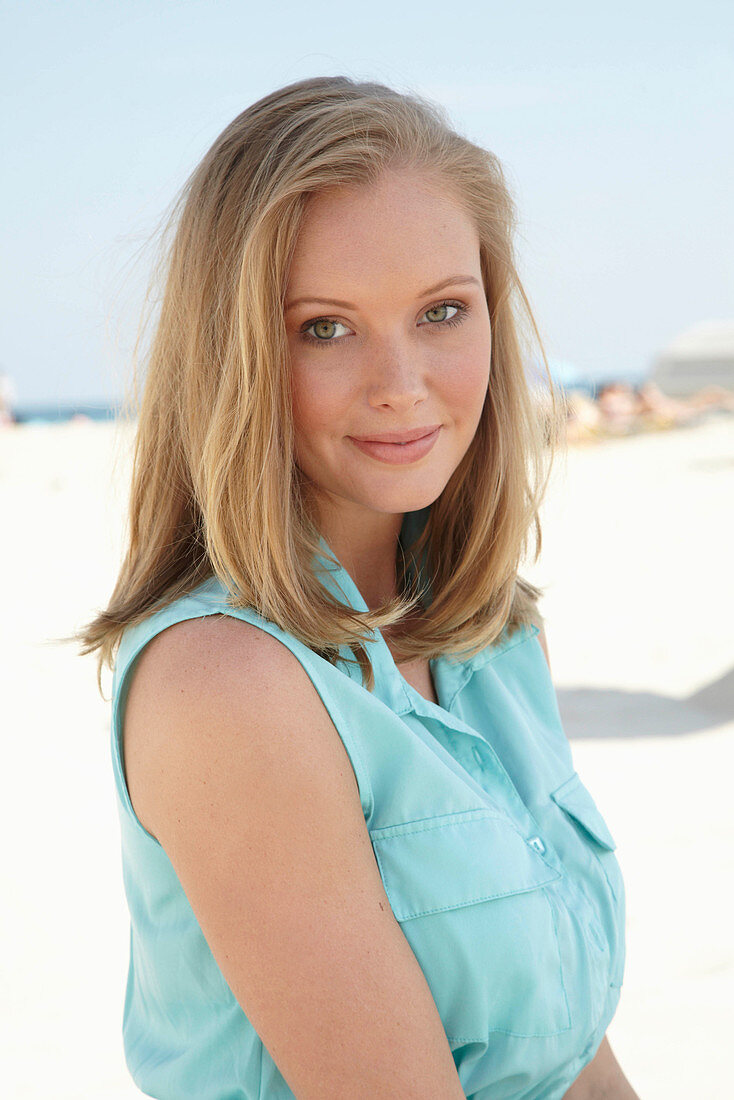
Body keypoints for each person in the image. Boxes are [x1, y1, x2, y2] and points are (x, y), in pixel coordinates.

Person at [77, 76, 639, 1098]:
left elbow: (569, 1057)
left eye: (440, 311)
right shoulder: (228, 686)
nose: (400, 380)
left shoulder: (496, 634)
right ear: (236, 350)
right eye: (325, 327)